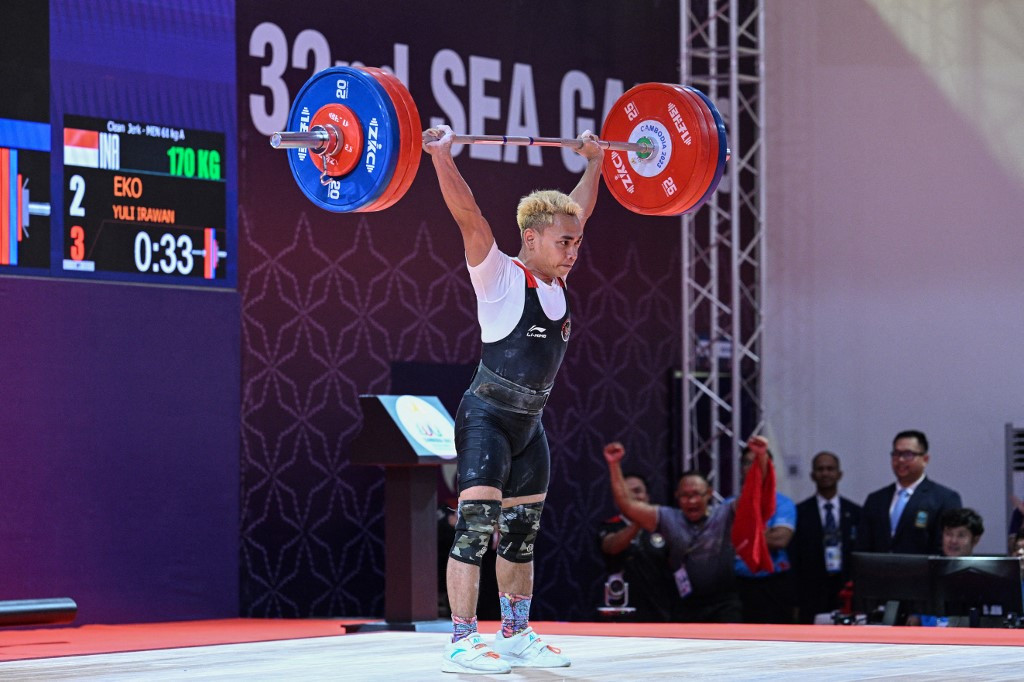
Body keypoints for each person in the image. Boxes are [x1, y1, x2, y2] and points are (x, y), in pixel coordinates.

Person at [423, 124, 603, 674]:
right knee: (476, 529)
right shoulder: (500, 275)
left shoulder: (557, 280)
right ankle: (459, 641)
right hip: (488, 419)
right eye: (563, 242)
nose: (573, 251)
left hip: (530, 427)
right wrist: (441, 155)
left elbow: (579, 208)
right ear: (531, 238)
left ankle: (516, 633)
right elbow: (468, 216)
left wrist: (594, 161)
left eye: (576, 242)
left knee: (521, 539)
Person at [602, 436, 776, 623]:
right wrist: (614, 464)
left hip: (724, 605)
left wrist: (762, 457)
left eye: (696, 495)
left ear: (709, 493)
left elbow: (754, 495)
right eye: (685, 496)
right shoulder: (668, 518)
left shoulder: (725, 512)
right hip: (685, 605)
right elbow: (627, 504)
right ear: (677, 496)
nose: (691, 501)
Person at [856, 430, 963, 555]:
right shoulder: (876, 499)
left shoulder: (944, 498)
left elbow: (946, 548)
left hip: (924, 572)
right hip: (879, 572)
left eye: (908, 454)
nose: (900, 460)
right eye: (896, 454)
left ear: (925, 459)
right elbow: (862, 547)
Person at [790, 451, 862, 623]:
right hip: (811, 590)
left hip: (845, 589)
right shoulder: (800, 512)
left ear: (839, 474)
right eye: (820, 469)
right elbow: (794, 557)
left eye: (830, 469)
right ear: (812, 475)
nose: (825, 473)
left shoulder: (855, 512)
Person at [729, 444, 797, 623]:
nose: (753, 469)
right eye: (747, 463)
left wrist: (740, 536)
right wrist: (761, 535)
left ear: (770, 469)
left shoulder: (782, 503)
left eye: (759, 463)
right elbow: (717, 543)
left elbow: (780, 539)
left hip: (773, 585)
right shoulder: (727, 505)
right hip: (736, 585)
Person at [598, 473, 679, 622]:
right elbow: (611, 547)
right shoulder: (610, 525)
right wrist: (639, 520)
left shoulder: (665, 526)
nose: (633, 497)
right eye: (626, 494)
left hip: (660, 611)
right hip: (620, 610)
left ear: (647, 496)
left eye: (637, 491)